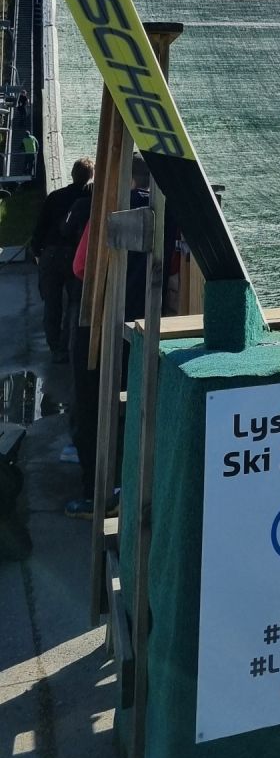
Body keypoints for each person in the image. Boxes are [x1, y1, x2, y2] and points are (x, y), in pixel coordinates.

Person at [65, 156, 151, 519]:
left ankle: (97, 494)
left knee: (93, 409)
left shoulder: (109, 210)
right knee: (135, 410)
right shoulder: (164, 211)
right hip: (144, 324)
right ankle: (131, 488)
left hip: (100, 321)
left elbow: (82, 266)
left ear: (125, 179)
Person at [29, 158, 94, 363]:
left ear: (72, 174)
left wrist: (37, 252)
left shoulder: (55, 196)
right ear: (90, 177)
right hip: (74, 256)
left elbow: (40, 227)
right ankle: (69, 345)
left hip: (50, 254)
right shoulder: (88, 199)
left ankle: (55, 348)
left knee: (52, 303)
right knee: (74, 303)